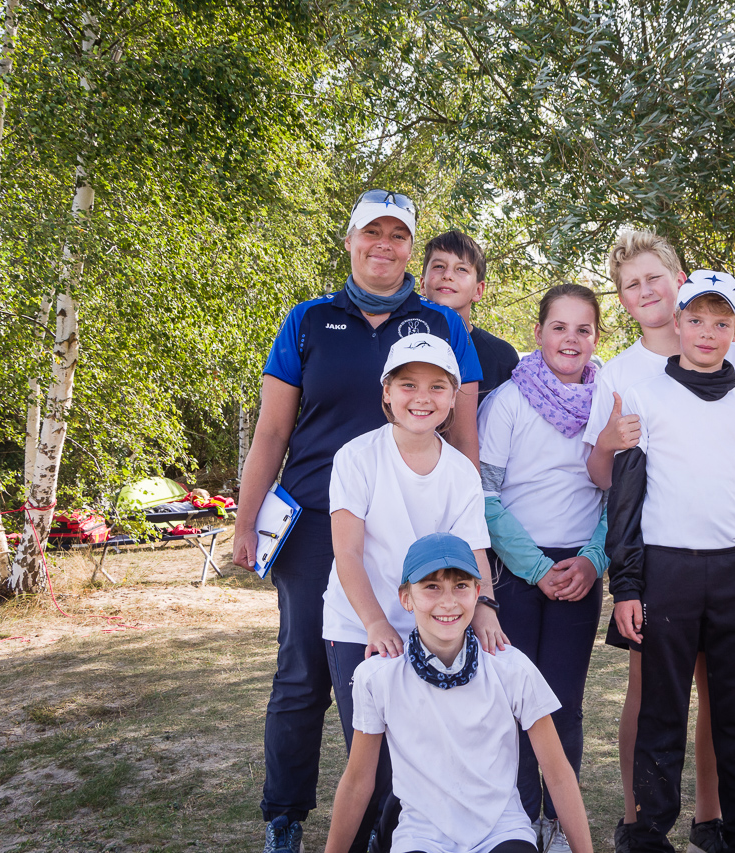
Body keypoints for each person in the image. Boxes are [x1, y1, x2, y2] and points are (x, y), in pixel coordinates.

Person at [232, 189, 490, 853]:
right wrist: (245, 520)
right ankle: (285, 816)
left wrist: (463, 536)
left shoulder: (441, 323)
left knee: (400, 674)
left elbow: (464, 438)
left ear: (410, 248)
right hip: (315, 523)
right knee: (302, 674)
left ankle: (390, 822)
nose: (384, 245)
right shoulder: (308, 320)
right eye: (371, 232)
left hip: (411, 528)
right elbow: (271, 432)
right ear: (349, 240)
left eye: (398, 235)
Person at [581, 230, 735, 853]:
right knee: (656, 705)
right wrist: (627, 582)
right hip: (663, 564)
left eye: (654, 277)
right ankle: (643, 827)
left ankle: (723, 825)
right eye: (631, 284)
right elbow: (612, 483)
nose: (706, 331)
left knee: (732, 706)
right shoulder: (628, 381)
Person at [325, 333, 500, 853]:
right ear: (386, 392)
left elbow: (474, 551)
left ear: (453, 397)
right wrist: (376, 624)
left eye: (437, 386)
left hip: (433, 629)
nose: (422, 397)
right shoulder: (357, 457)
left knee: (425, 762)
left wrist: (486, 607)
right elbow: (347, 552)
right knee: (372, 763)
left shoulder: (461, 471)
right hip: (359, 624)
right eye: (408, 384)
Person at [323, 533, 593, 853]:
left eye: (461, 585)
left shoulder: (511, 668)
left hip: (501, 830)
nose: (448, 602)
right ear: (406, 598)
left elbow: (558, 774)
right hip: (421, 835)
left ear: (478, 593)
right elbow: (357, 781)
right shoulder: (378, 677)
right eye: (431, 587)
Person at [478, 284, 607, 852]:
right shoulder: (508, 401)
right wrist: (533, 567)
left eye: (583, 329)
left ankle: (556, 820)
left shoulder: (609, 402)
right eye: (559, 327)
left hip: (579, 571)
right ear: (538, 333)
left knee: (562, 704)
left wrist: (593, 559)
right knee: (512, 702)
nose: (570, 339)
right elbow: (484, 495)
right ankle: (517, 819)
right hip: (516, 570)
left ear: (597, 337)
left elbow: (621, 495)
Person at [419, 230, 520, 405]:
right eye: (439, 266)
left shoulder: (502, 356)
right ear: (422, 284)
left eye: (461, 269)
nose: (447, 275)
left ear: (478, 290)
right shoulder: (403, 340)